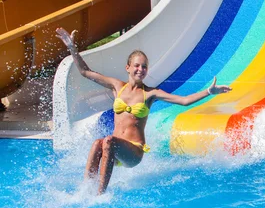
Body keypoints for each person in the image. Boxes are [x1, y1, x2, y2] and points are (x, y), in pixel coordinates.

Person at [56, 27, 232, 194]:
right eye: (137, 66)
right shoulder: (118, 87)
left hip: (133, 152)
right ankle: (85, 190)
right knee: (97, 144)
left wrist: (209, 91)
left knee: (108, 141)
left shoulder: (150, 93)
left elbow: (184, 101)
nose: (141, 69)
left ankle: (100, 195)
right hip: (116, 151)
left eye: (144, 67)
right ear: (128, 68)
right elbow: (85, 72)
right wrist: (72, 48)